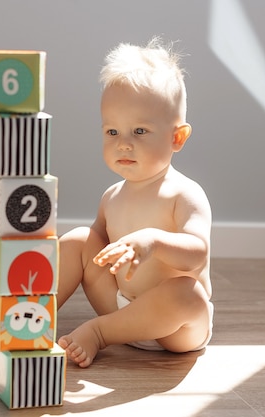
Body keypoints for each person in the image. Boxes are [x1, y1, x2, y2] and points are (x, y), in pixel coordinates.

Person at [56, 37, 214, 368]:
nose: (123, 144)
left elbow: (198, 252)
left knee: (188, 294)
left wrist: (154, 242)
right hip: (121, 307)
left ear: (177, 137)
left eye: (139, 131)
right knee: (79, 240)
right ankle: (29, 312)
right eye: (112, 132)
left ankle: (99, 334)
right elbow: (92, 256)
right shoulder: (111, 196)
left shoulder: (184, 193)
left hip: (175, 327)